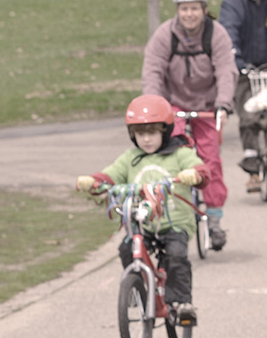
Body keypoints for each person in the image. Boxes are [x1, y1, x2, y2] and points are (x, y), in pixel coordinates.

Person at [76, 94, 209, 324]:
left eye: (152, 133)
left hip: (174, 223)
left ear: (165, 131)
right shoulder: (131, 158)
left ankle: (181, 303)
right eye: (140, 134)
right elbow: (111, 175)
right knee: (127, 249)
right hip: (143, 224)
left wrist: (194, 174)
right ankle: (138, 290)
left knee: (176, 256)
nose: (146, 139)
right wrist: (93, 180)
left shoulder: (180, 154)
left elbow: (202, 171)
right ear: (132, 135)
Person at [142, 0, 236, 249]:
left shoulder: (216, 33)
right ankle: (167, 212)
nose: (189, 14)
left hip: (207, 106)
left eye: (194, 8)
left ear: (204, 9)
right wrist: (155, 106)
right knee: (169, 156)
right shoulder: (164, 34)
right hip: (174, 105)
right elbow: (152, 71)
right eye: (184, 9)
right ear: (177, 10)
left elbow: (226, 71)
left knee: (210, 160)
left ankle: (215, 219)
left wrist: (223, 105)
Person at [219, 0, 267, 194]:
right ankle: (252, 167)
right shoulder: (234, 1)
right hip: (245, 68)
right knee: (248, 115)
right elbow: (228, 31)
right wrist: (237, 59)